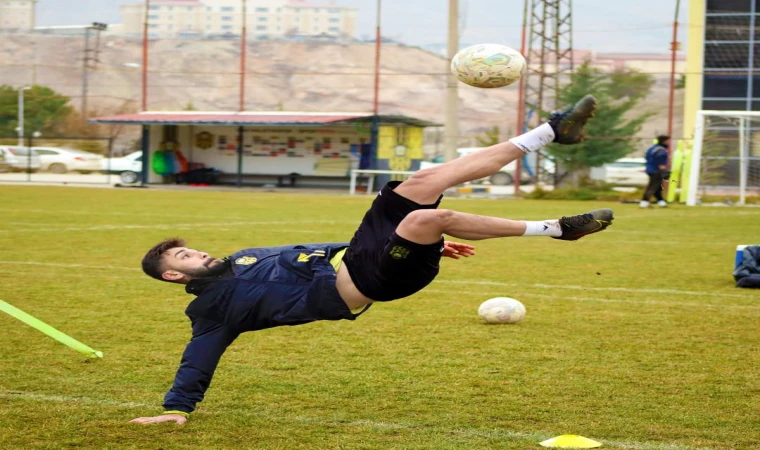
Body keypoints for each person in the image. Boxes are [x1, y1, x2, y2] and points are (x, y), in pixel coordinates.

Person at [131, 95, 614, 425]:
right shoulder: (211, 309)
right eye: (185, 256)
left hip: (362, 257)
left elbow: (316, 248)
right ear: (174, 275)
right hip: (365, 285)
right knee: (429, 220)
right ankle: (555, 230)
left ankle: (551, 131)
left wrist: (408, 245)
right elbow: (199, 358)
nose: (198, 252)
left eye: (191, 246)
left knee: (421, 184)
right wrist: (178, 408)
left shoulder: (244, 259)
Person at [640, 135, 671, 208]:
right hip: (656, 170)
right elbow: (660, 160)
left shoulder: (652, 148)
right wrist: (664, 170)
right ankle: (644, 201)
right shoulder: (662, 150)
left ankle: (661, 201)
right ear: (665, 141)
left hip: (649, 169)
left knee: (658, 187)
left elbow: (647, 158)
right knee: (653, 186)